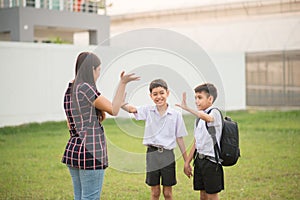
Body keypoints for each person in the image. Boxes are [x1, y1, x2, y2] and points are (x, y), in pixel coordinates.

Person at [61, 52, 139, 200]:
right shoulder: (85, 88)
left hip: (73, 149)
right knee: (90, 197)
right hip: (90, 151)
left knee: (79, 197)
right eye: (98, 71)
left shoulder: (70, 89)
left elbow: (71, 121)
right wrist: (122, 83)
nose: (98, 75)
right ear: (92, 69)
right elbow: (114, 110)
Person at [121, 79, 188, 200]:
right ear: (151, 96)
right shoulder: (148, 111)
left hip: (168, 155)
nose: (159, 97)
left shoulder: (176, 114)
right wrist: (121, 102)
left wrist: (186, 161)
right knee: (155, 192)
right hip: (152, 154)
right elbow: (131, 109)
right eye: (155, 94)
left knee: (168, 193)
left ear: (167, 93)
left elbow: (180, 138)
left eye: (161, 93)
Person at [176, 83, 224, 200]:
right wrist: (187, 162)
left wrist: (187, 108)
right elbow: (196, 142)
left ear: (210, 99)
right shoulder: (198, 120)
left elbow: (208, 118)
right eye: (195, 98)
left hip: (211, 162)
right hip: (199, 161)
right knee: (202, 195)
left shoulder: (215, 113)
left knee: (211, 196)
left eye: (200, 98)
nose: (197, 101)